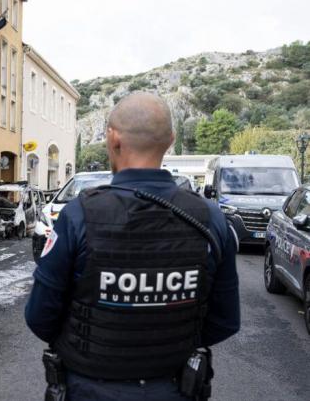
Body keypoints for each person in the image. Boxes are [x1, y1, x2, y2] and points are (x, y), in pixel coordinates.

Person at [25, 92, 240, 400]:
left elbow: (40, 316)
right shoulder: (211, 219)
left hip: (90, 388)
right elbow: (224, 321)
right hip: (176, 386)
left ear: (113, 139)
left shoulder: (77, 216)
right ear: (171, 140)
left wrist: (95, 347)